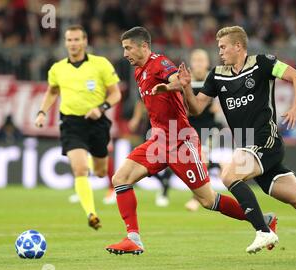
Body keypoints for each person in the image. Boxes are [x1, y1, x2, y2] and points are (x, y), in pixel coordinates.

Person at [177, 26, 296, 264]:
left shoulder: (263, 64)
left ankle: (264, 230)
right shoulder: (216, 75)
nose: (220, 51)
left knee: (228, 174)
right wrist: (186, 87)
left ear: (238, 46)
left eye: (223, 46)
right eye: (218, 47)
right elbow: (196, 108)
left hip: (266, 141)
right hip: (248, 148)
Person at [105, 26, 278, 256]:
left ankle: (264, 221)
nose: (125, 53)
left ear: (144, 47)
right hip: (158, 140)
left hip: (180, 140)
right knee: (120, 178)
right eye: (123, 48)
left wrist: (170, 85)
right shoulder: (139, 71)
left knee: (207, 200)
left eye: (128, 48)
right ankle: (133, 238)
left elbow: (178, 79)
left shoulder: (160, 63)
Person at [35, 25, 122, 230]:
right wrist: (41, 112)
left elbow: (115, 94)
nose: (72, 44)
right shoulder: (57, 69)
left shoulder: (100, 64)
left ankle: (91, 161)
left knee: (100, 172)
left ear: (85, 41)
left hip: (97, 122)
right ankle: (91, 214)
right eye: (69, 40)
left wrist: (101, 108)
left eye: (76, 40)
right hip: (71, 123)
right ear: (65, 43)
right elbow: (52, 92)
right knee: (80, 169)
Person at [184, 48, 225, 212]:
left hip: (210, 127)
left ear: (208, 63)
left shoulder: (214, 79)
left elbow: (220, 104)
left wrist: (217, 105)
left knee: (202, 160)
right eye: (196, 60)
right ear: (191, 64)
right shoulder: (186, 81)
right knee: (193, 163)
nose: (199, 63)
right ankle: (218, 166)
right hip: (189, 128)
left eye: (202, 60)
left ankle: (195, 199)